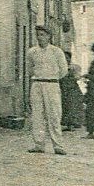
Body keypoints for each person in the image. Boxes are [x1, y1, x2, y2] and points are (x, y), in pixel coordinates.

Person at [26, 25, 69, 156]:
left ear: (49, 37)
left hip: (52, 85)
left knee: (54, 115)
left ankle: (58, 145)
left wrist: (51, 77)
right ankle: (39, 144)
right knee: (37, 115)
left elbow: (63, 70)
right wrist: (39, 77)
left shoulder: (57, 52)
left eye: (42, 35)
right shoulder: (32, 52)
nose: (40, 38)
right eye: (38, 35)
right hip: (37, 84)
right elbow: (29, 69)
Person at [60, 57, 86, 133]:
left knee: (72, 106)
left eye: (67, 59)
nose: (66, 60)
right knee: (66, 107)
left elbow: (77, 77)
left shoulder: (73, 67)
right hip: (65, 89)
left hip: (72, 89)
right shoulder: (62, 67)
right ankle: (69, 124)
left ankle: (74, 124)